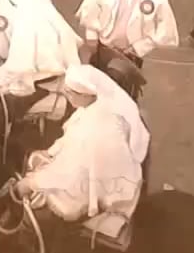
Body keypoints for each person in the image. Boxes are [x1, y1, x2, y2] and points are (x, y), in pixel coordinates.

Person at [15, 65, 149, 231]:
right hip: (98, 174)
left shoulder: (94, 127)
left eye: (70, 92)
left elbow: (71, 175)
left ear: (86, 94)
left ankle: (34, 237)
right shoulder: (98, 106)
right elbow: (70, 143)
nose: (66, 94)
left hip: (97, 186)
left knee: (37, 206)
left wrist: (32, 183)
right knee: (38, 163)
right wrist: (50, 153)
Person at [0, 0, 84, 96]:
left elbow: (18, 67)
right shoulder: (52, 15)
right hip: (64, 77)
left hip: (41, 84)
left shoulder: (25, 23)